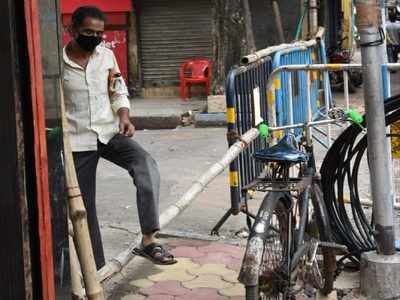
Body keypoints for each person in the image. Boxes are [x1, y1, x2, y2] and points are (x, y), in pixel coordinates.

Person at [63, 6, 176, 269]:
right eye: (87, 32)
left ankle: (149, 240)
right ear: (72, 30)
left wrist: (124, 117)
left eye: (99, 33)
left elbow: (118, 91)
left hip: (109, 132)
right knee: (82, 208)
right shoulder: (58, 61)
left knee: (145, 166)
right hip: (77, 139)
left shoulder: (106, 56)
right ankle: (97, 270)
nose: (94, 37)